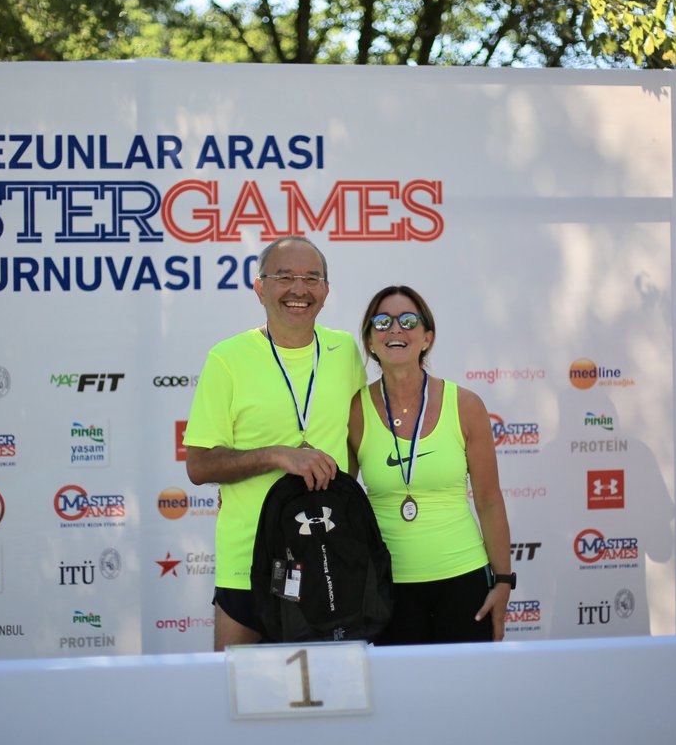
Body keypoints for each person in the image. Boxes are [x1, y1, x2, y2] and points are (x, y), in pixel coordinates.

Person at [184, 236, 367, 650]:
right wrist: (275, 456)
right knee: (240, 699)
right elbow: (198, 466)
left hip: (327, 559)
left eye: (311, 278)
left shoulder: (344, 351)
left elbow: (356, 449)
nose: (299, 289)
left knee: (328, 701)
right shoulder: (226, 358)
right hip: (248, 561)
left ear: (325, 290)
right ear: (260, 287)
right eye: (285, 277)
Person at [348, 285, 513, 643]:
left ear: (427, 338)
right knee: (401, 698)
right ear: (370, 341)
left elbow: (488, 500)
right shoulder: (355, 411)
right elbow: (341, 503)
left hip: (464, 581)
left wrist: (503, 581)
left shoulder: (466, 405)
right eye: (382, 322)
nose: (395, 329)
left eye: (408, 320)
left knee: (464, 696)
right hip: (387, 590)